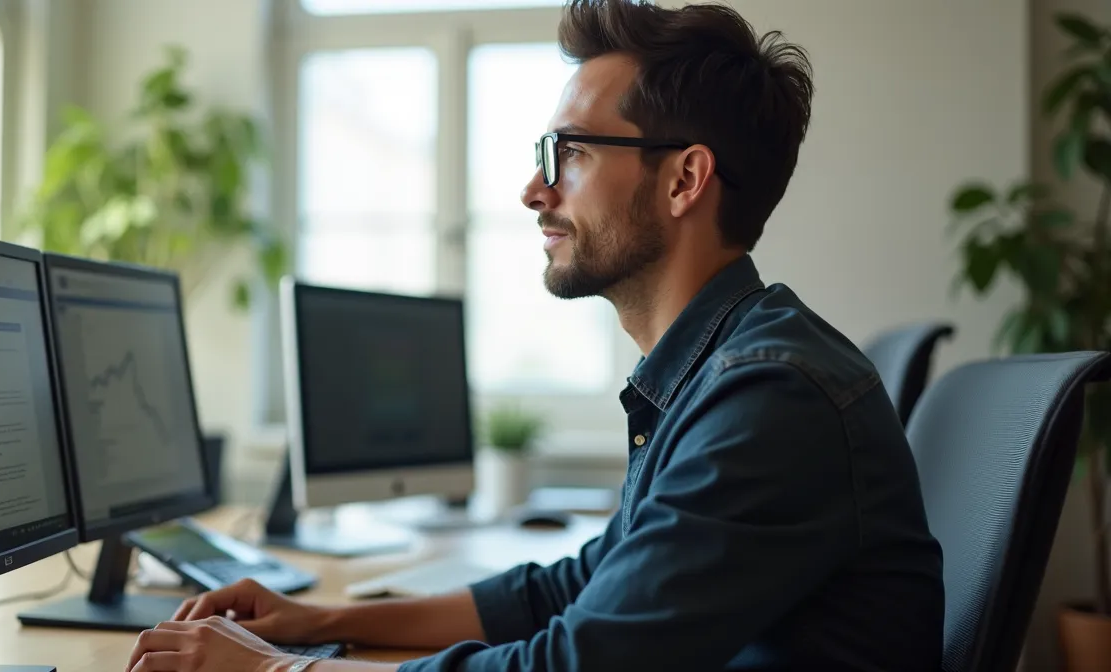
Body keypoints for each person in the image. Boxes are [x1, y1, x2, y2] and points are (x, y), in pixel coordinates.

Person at [125, 1, 945, 670]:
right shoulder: (715, 375)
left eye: (569, 153)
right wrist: (315, 622)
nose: (532, 190)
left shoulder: (769, 397)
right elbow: (572, 592)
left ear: (684, 180)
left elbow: (576, 665)